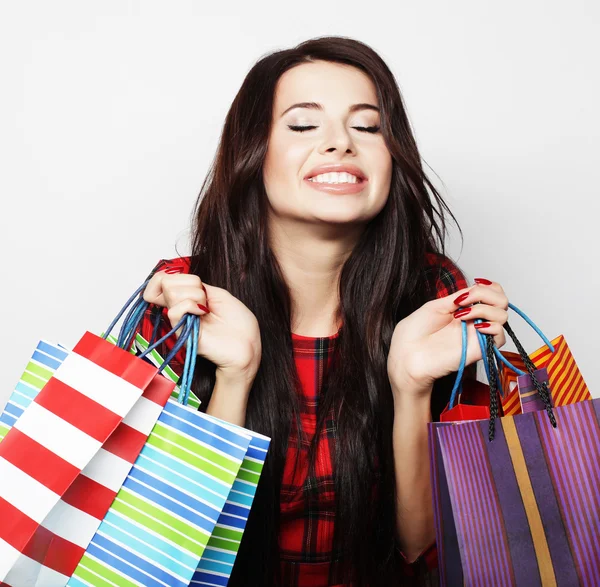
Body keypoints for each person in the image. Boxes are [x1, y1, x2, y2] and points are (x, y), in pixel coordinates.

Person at [137, 36, 509, 587]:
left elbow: (421, 548)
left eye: (367, 126)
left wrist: (410, 385)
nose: (340, 144)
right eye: (303, 126)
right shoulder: (186, 297)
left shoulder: (433, 294)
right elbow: (160, 551)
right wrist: (234, 379)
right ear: (253, 151)